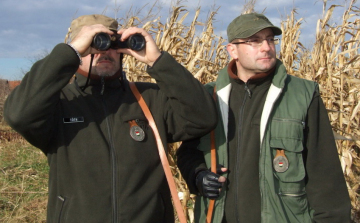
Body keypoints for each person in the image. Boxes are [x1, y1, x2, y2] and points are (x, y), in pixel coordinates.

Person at [4, 14, 217, 222]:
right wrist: (70, 52)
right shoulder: (59, 104)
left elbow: (203, 117)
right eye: (94, 44)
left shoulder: (149, 98)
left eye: (111, 45)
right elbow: (18, 114)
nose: (104, 52)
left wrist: (157, 60)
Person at [176, 13, 351, 223]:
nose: (266, 47)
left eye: (269, 39)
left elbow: (325, 173)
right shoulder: (209, 97)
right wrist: (198, 176)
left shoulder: (302, 94)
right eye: (254, 41)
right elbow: (187, 154)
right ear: (233, 50)